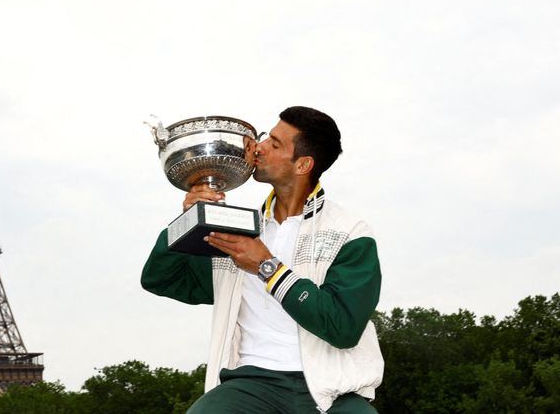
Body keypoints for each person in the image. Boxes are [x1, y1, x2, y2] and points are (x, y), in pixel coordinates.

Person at [141, 106, 383, 413]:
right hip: (251, 385)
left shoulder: (349, 231)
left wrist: (268, 268)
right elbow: (162, 278)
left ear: (303, 164)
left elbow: (343, 328)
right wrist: (188, 219)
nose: (259, 146)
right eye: (267, 136)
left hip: (335, 390)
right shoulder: (234, 230)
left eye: (276, 144)